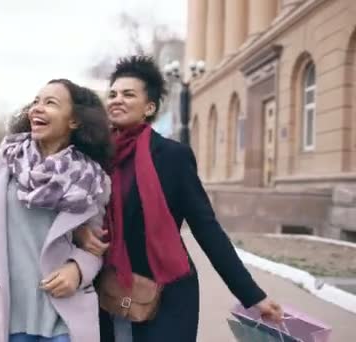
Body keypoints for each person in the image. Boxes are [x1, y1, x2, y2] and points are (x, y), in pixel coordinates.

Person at [75, 56, 283, 341]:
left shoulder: (172, 156)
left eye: (128, 94)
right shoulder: (96, 157)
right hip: (112, 290)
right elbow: (74, 213)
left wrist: (252, 295)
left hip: (169, 293)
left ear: (149, 108)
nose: (117, 100)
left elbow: (206, 227)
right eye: (112, 94)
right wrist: (80, 232)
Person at [0, 79, 113, 342]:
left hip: (64, 320)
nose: (37, 108)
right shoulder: (2, 161)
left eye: (50, 103)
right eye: (35, 102)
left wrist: (77, 270)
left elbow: (95, 249)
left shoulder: (90, 179)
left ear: (74, 121)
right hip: (9, 320)